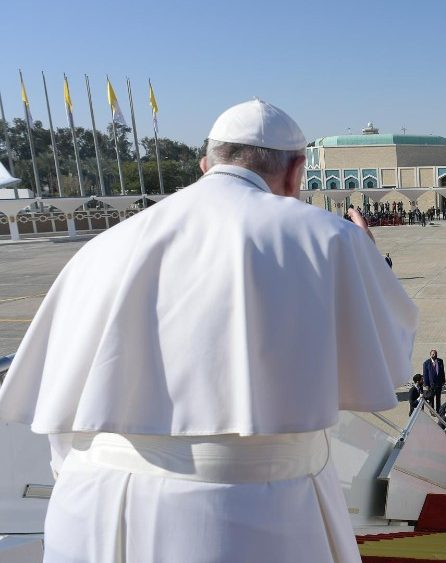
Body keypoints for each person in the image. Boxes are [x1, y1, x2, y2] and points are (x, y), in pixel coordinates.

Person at [0, 99, 418, 563]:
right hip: (239, 515)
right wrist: (365, 260)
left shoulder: (105, 245)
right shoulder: (329, 237)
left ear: (205, 164)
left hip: (88, 505)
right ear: (298, 170)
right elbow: (386, 358)